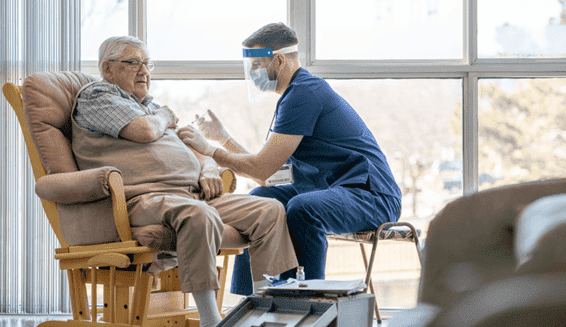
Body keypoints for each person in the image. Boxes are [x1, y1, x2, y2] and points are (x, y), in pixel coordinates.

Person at [71, 36, 298, 327]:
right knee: (198, 214)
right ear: (108, 68)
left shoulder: (152, 109)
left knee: (269, 210)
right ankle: (210, 319)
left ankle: (264, 311)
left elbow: (197, 150)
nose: (144, 71)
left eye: (147, 63)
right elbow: (143, 131)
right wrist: (165, 115)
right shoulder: (97, 96)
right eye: (133, 63)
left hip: (192, 194)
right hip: (144, 198)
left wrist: (208, 170)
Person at [178, 22, 402, 296]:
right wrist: (222, 139)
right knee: (259, 199)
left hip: (371, 196)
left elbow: (261, 167)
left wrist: (211, 151)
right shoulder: (292, 97)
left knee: (302, 208)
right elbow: (269, 174)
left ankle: (307, 301)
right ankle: (251, 300)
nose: (252, 73)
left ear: (279, 59)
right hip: (330, 190)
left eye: (257, 64)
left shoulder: (305, 94)